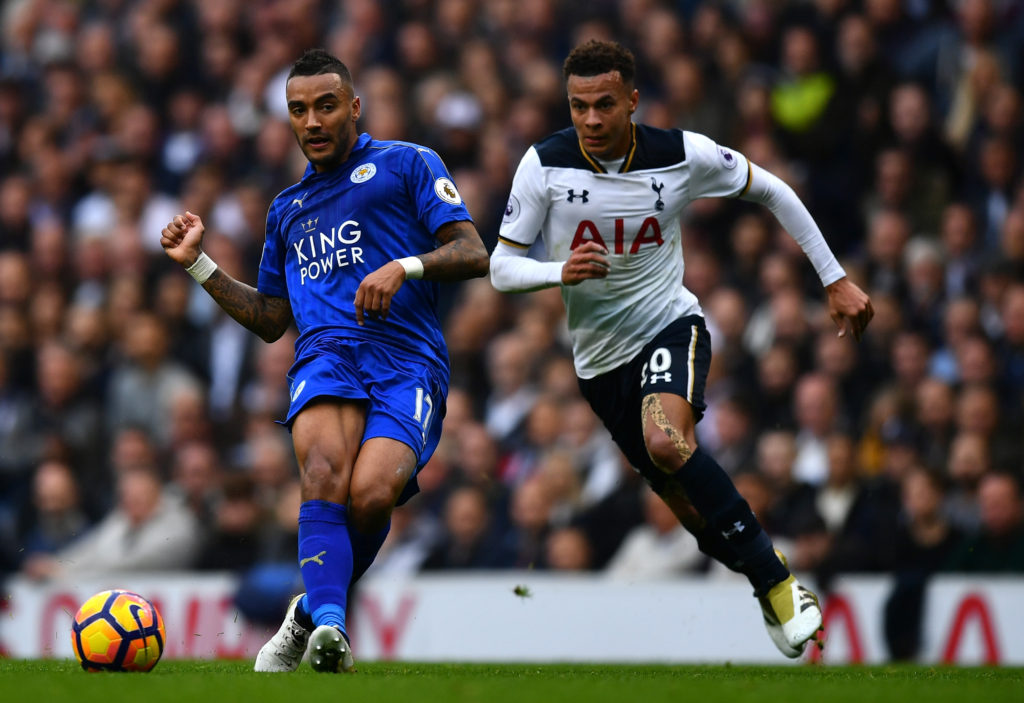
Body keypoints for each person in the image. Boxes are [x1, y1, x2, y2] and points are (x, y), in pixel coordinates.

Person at [490, 39, 874, 659]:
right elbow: (502, 268)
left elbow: (772, 188)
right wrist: (557, 272)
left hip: (670, 325)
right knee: (692, 515)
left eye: (604, 105)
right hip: (598, 364)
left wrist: (833, 278)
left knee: (667, 439)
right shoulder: (544, 166)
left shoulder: (680, 155)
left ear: (633, 102)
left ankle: (779, 587)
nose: (590, 120)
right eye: (578, 106)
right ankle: (764, 573)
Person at [160, 48, 488, 673]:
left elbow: (473, 251)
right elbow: (270, 320)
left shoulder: (407, 164)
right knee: (322, 476)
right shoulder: (286, 209)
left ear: (354, 107)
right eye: (298, 110)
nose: (312, 121)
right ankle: (330, 628)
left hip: (407, 359)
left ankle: (308, 611)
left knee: (370, 496)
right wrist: (200, 265)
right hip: (326, 358)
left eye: (325, 106)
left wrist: (405, 265)